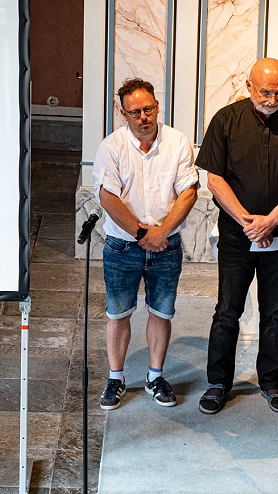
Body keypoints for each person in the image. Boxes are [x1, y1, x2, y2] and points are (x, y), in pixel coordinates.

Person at [196, 57, 278, 414]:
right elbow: (214, 179)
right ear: (249, 86)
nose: (272, 99)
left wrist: (271, 221)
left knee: (275, 313)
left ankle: (271, 382)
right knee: (227, 311)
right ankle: (217, 383)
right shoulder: (226, 120)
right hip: (237, 236)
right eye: (265, 92)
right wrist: (248, 222)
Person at [92, 78, 199, 410]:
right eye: (135, 112)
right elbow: (107, 198)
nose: (143, 117)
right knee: (118, 313)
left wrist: (161, 232)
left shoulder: (177, 142)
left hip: (166, 246)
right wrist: (142, 234)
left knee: (161, 313)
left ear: (157, 106)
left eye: (149, 109)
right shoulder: (111, 147)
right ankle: (116, 378)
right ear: (123, 113)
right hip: (122, 246)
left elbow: (189, 192)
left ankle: (155, 376)